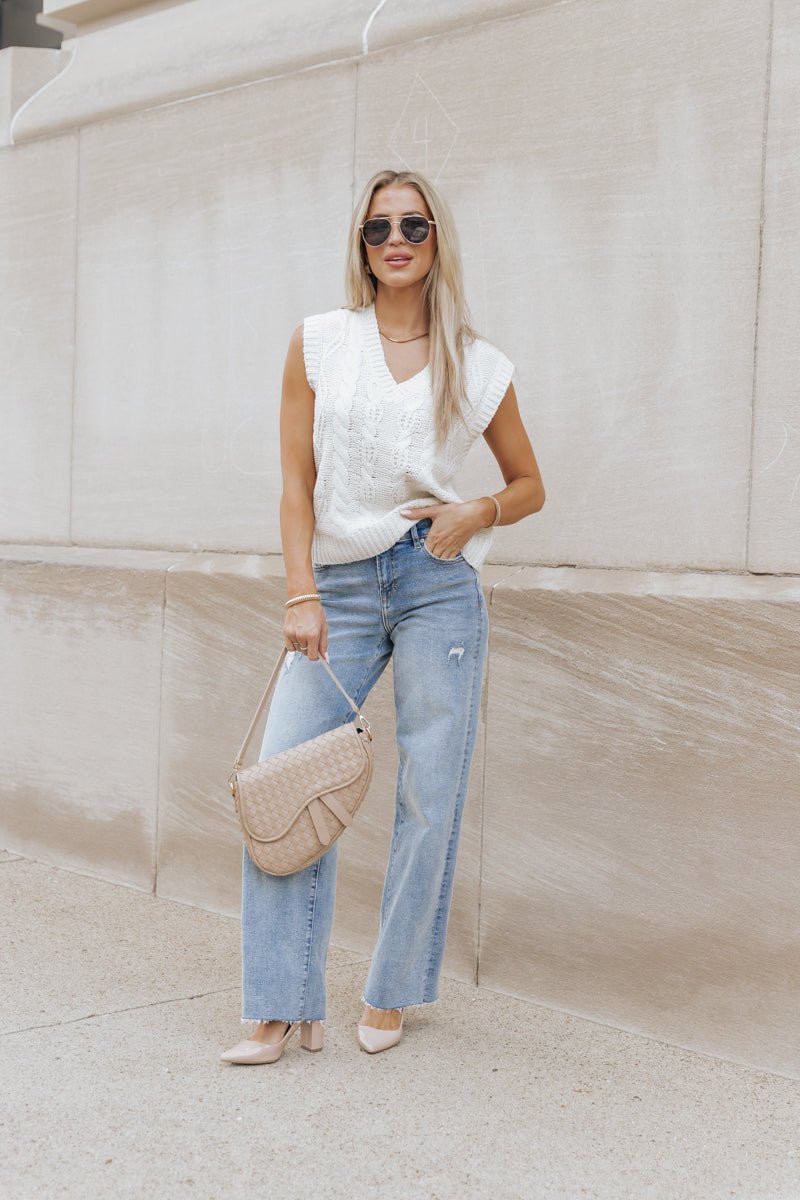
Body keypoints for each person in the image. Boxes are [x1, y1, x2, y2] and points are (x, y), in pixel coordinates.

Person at [220, 167, 545, 1064]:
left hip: (438, 577)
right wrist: (300, 592)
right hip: (341, 583)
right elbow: (296, 483)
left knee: (428, 791)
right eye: (377, 229)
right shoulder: (322, 343)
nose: (395, 240)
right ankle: (281, 1004)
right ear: (360, 247)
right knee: (286, 780)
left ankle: (393, 990)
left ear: (439, 239)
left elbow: (530, 486)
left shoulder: (476, 364)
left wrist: (475, 511)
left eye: (412, 225)